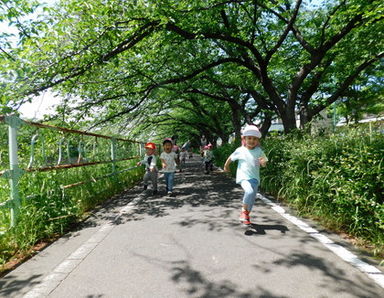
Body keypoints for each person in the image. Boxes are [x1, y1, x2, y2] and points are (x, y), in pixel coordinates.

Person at [223, 125, 268, 225]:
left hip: (255, 179)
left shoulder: (259, 151)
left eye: (255, 139)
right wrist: (226, 166)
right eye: (249, 138)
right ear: (244, 139)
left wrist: (263, 162)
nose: (252, 141)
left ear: (258, 140)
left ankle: (246, 215)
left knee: (251, 200)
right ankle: (244, 211)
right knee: (249, 191)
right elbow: (231, 158)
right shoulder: (240, 150)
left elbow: (264, 164)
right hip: (243, 177)